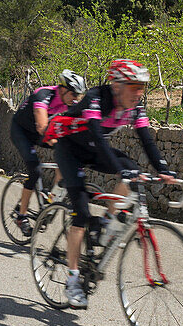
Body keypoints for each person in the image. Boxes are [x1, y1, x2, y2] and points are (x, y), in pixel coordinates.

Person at [49, 60, 175, 308]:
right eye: (134, 86)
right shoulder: (97, 98)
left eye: (142, 87)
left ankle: (107, 221)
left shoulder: (136, 107)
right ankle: (72, 280)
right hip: (70, 150)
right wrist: (120, 170)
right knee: (81, 213)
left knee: (133, 169)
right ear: (117, 86)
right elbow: (96, 134)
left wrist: (164, 169)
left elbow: (147, 140)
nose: (139, 93)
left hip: (95, 149)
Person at [9, 70, 87, 235]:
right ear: (63, 89)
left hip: (39, 134)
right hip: (21, 131)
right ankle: (21, 216)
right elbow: (42, 127)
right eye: (74, 94)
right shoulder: (43, 95)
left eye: (79, 95)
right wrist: (58, 144)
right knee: (35, 169)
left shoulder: (70, 104)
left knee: (68, 155)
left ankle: (51, 197)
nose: (76, 98)